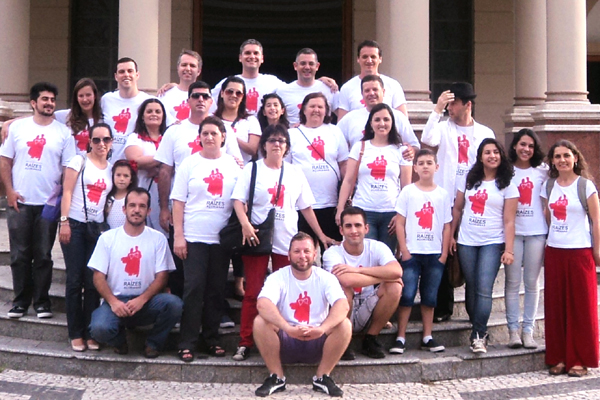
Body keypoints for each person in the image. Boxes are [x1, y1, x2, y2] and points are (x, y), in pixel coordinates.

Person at [229, 124, 337, 361]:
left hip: (286, 240)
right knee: (254, 292)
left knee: (284, 293)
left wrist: (320, 235)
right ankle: (245, 341)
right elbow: (237, 200)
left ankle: (281, 339)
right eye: (271, 140)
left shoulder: (295, 172)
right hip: (257, 237)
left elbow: (306, 207)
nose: (276, 144)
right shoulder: (252, 169)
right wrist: (245, 224)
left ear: (287, 146)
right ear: (264, 145)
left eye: (281, 140)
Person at [154, 81, 242, 297]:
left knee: (216, 278)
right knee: (185, 272)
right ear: (188, 100)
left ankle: (217, 315)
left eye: (205, 96)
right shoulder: (175, 131)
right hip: (185, 210)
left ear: (212, 101)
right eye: (196, 96)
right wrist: (163, 208)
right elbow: (165, 172)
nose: (200, 100)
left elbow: (237, 163)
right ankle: (183, 315)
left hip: (218, 215)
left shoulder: (224, 129)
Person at [1, 82, 77, 319]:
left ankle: (41, 303)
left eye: (53, 100)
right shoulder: (18, 128)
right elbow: (5, 161)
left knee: (43, 255)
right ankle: (20, 301)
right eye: (45, 99)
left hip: (48, 205)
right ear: (33, 103)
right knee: (19, 255)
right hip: (19, 203)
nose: (50, 103)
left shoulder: (63, 133)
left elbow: (67, 169)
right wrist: (9, 191)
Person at [420, 81, 495, 323]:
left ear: (468, 104)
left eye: (453, 103)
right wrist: (437, 109)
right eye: (448, 104)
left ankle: (475, 310)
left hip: (474, 202)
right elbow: (427, 139)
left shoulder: (485, 133)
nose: (450, 108)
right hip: (445, 199)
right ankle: (443, 307)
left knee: (468, 256)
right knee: (443, 252)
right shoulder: (442, 127)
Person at [171, 116, 241, 361]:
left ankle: (211, 339)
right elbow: (178, 201)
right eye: (205, 133)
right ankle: (187, 341)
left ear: (223, 136)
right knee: (194, 289)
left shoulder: (233, 164)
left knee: (215, 290)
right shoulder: (189, 164)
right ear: (199, 137)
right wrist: (178, 236)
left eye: (214, 133)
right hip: (194, 237)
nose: (209, 137)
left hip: (221, 239)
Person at [88, 188, 183, 358]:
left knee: (174, 304)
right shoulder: (107, 238)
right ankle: (119, 342)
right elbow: (98, 276)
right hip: (116, 301)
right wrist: (113, 302)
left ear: (148, 211)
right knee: (99, 328)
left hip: (147, 302)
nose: (137, 210)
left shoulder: (158, 239)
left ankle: (153, 344)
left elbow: (162, 275)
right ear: (124, 209)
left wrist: (142, 300)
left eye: (142, 206)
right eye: (132, 205)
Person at [253, 232, 351, 397]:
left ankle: (322, 377)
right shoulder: (278, 277)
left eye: (307, 251)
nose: (302, 256)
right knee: (260, 321)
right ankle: (276, 377)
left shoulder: (326, 278)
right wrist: (288, 328)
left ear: (314, 254)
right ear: (289, 254)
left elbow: (342, 305)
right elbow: (262, 303)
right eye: (297, 251)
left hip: (318, 339)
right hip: (286, 339)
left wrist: (322, 329)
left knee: (344, 324)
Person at [450, 138, 518, 354]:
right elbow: (458, 209)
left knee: (483, 287)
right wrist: (451, 235)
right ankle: (477, 326)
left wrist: (509, 249)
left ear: (501, 155)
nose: (492, 156)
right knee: (471, 285)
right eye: (487, 152)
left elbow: (509, 220)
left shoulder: (508, 183)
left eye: (496, 152)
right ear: (480, 156)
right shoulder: (469, 179)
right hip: (467, 240)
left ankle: (478, 334)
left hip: (492, 241)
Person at [541, 140, 599, 378]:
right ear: (552, 161)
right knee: (555, 307)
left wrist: (597, 250)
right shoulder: (549, 185)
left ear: (575, 157)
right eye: (557, 156)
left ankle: (579, 358)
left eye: (566, 155)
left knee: (581, 307)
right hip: (555, 250)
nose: (562, 160)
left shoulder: (586, 186)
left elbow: (596, 221)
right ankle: (558, 357)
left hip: (579, 252)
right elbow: (548, 216)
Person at [391, 149, 452, 355]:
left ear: (436, 167)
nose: (425, 166)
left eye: (429, 162)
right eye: (421, 163)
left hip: (434, 253)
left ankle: (428, 336)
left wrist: (444, 254)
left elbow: (446, 226)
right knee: (407, 294)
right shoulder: (408, 191)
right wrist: (404, 250)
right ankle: (400, 336)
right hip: (412, 252)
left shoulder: (442, 194)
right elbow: (400, 222)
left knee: (430, 296)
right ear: (415, 167)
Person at [58, 123, 113, 352]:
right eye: (97, 140)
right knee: (74, 280)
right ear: (89, 141)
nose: (101, 144)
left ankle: (91, 331)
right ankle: (75, 332)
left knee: (93, 281)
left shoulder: (111, 167)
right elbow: (67, 191)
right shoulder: (78, 161)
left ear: (111, 143)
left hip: (97, 228)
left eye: (106, 140)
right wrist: (64, 222)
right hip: (76, 224)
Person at [323, 207, 402, 360]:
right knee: (344, 290)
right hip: (341, 310)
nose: (353, 230)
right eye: (348, 226)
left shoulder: (377, 247)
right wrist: (383, 276)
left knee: (395, 286)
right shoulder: (332, 253)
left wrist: (358, 270)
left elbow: (397, 271)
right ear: (341, 230)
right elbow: (347, 280)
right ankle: (343, 341)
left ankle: (371, 339)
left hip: (367, 306)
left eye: (358, 225)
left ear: (366, 228)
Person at [336, 103, 413, 252]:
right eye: (377, 120)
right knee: (367, 255)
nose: (382, 124)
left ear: (392, 123)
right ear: (371, 123)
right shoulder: (360, 147)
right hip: (363, 211)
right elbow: (348, 180)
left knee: (386, 257)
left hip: (391, 213)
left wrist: (401, 214)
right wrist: (340, 208)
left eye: (386, 119)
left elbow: (406, 188)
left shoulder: (402, 150)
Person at [287, 92, 348, 251]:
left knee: (333, 252)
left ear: (326, 111)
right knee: (303, 254)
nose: (316, 110)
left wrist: (347, 194)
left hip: (330, 204)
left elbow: (343, 165)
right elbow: (285, 169)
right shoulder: (291, 134)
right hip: (301, 206)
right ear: (303, 110)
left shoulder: (335, 131)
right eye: (312, 106)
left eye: (320, 106)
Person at [505, 129, 548, 349]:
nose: (526, 149)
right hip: (513, 233)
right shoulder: (506, 171)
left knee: (532, 283)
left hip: (536, 232)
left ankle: (528, 331)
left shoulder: (543, 171)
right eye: (522, 145)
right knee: (512, 282)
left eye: (531, 146)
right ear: (514, 146)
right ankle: (513, 330)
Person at [337, 75, 419, 155]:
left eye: (375, 89)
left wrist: (411, 151)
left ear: (383, 92)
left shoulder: (398, 117)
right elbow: (335, 143)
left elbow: (414, 145)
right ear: (362, 94)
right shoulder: (350, 119)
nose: (371, 93)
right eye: (367, 91)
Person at [125, 98, 168, 236]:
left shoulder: (169, 138)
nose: (153, 114)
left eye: (157, 111)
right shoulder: (135, 137)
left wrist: (153, 165)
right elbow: (135, 160)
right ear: (142, 117)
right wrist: (165, 161)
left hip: (166, 195)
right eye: (149, 111)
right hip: (143, 194)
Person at [211, 39, 286, 116]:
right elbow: (208, 103)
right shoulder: (229, 82)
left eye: (256, 53)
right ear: (240, 57)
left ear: (262, 58)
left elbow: (292, 96)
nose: (252, 56)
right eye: (247, 53)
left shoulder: (272, 82)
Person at [336, 40, 407, 119]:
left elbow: (403, 120)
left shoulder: (393, 85)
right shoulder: (347, 88)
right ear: (358, 59)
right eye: (365, 57)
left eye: (373, 57)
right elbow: (342, 124)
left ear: (380, 59)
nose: (369, 60)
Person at [101, 57, 153, 161]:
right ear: (116, 76)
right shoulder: (106, 99)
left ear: (137, 75)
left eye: (130, 71)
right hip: (109, 164)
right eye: (121, 72)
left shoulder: (149, 101)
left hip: (137, 167)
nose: (126, 75)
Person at [276, 48, 337, 125]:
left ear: (317, 66)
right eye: (303, 63)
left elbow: (344, 116)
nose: (307, 67)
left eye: (311, 64)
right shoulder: (283, 92)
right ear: (295, 66)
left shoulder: (329, 89)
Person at [214, 76, 261, 163]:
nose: (234, 95)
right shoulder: (211, 119)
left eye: (238, 93)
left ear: (243, 97)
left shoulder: (251, 120)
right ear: (222, 93)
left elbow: (252, 150)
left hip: (243, 170)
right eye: (230, 92)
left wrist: (230, 135)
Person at [56, 78, 103, 156]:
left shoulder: (102, 120)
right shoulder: (66, 115)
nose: (85, 99)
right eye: (81, 96)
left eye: (88, 95)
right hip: (73, 166)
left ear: (95, 95)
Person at [159, 49, 202, 121]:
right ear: (178, 68)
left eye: (192, 66)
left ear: (199, 71)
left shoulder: (205, 97)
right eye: (184, 65)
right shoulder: (164, 94)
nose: (188, 68)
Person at [105, 159, 138, 229]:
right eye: (118, 175)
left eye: (126, 176)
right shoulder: (108, 197)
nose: (122, 179)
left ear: (131, 179)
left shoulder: (133, 198)